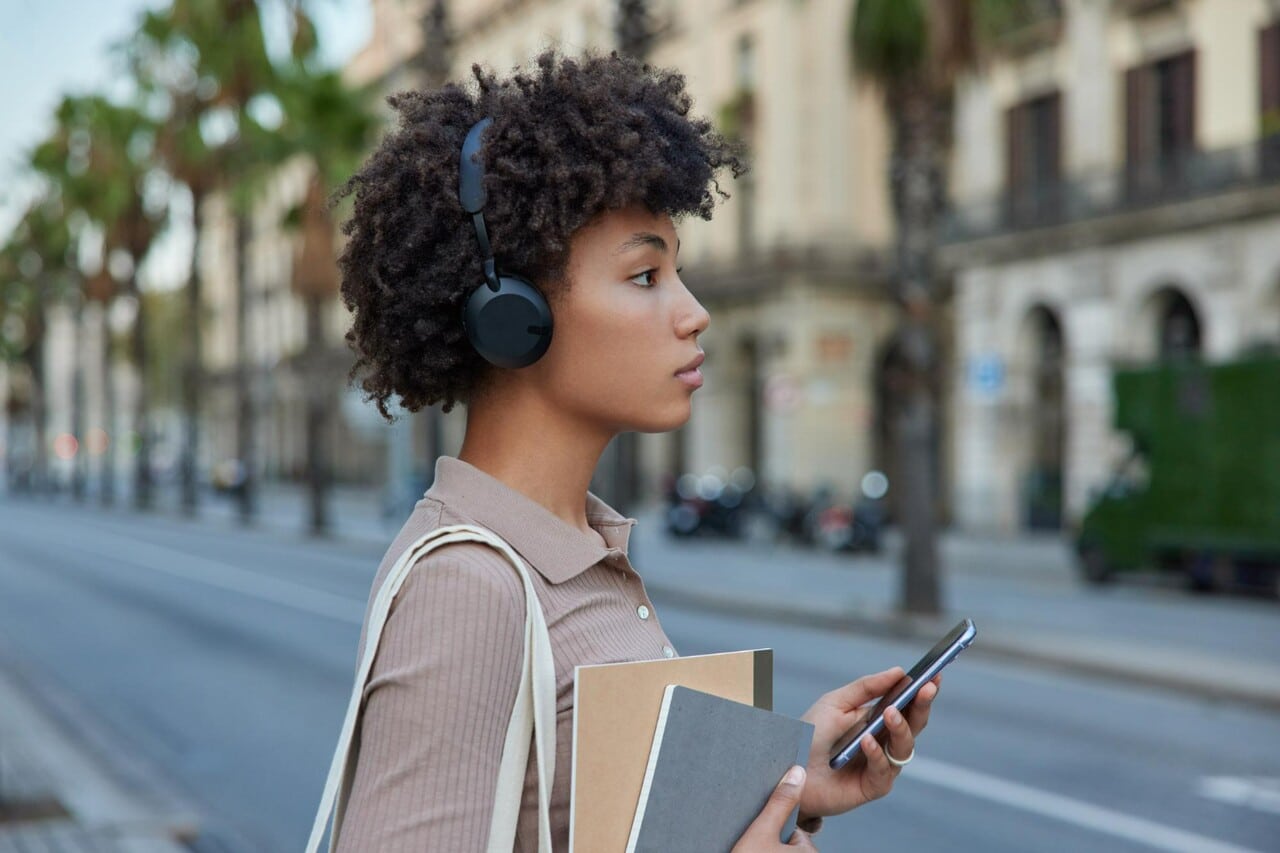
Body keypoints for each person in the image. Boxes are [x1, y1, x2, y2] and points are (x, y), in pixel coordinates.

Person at [330, 49, 940, 851]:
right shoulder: (470, 587)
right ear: (510, 314)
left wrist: (786, 775)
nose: (695, 314)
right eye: (646, 276)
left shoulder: (583, 549)